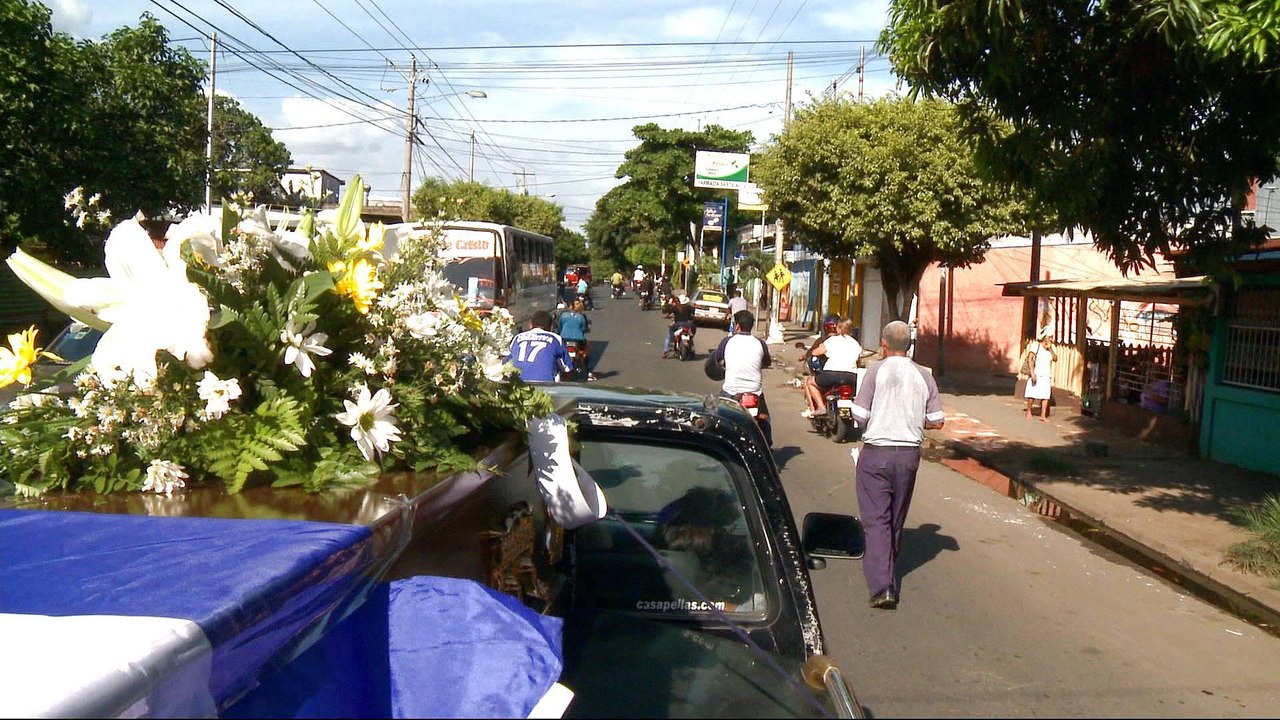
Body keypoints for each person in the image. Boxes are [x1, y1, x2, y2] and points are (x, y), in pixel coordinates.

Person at [851, 320, 945, 610]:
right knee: (895, 517)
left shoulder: (874, 372)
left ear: (883, 344)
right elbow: (937, 420)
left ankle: (883, 587)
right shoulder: (924, 376)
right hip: (908, 456)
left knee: (876, 519)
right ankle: (887, 571)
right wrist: (916, 418)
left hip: (876, 453)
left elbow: (860, 414)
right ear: (909, 346)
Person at [712, 310, 773, 446]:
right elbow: (767, 362)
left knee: (718, 417)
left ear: (737, 326)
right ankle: (767, 444)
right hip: (755, 392)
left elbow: (718, 358)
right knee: (765, 419)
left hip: (731, 392)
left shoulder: (727, 341)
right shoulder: (760, 343)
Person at [802, 317, 863, 418]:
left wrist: (819, 348)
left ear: (838, 329)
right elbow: (859, 362)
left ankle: (821, 407)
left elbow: (815, 352)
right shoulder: (856, 343)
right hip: (851, 377)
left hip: (830, 375)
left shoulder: (831, 340)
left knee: (809, 382)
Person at [508, 310, 573, 382]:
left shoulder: (517, 338)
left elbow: (506, 363)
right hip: (546, 388)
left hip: (518, 386)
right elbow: (567, 369)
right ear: (551, 327)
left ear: (530, 325)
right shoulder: (555, 338)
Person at [1023, 327, 1058, 421]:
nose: (1051, 339)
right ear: (1045, 337)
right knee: (1032, 394)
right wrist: (1032, 372)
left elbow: (1055, 359)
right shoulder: (1036, 345)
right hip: (1037, 372)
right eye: (1049, 337)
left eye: (1052, 337)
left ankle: (1043, 415)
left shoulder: (1052, 347)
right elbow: (1030, 358)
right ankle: (1028, 411)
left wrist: (1050, 349)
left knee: (1046, 395)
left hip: (1047, 374)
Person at [556, 298, 595, 381]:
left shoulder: (563, 315)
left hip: (564, 338)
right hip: (578, 339)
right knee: (586, 352)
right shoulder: (581, 317)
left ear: (570, 306)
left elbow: (559, 327)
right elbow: (584, 329)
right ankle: (589, 373)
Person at [662, 292, 696, 358]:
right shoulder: (689, 307)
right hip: (688, 324)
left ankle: (671, 343)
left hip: (678, 324)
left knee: (670, 331)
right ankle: (690, 344)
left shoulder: (676, 307)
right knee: (691, 334)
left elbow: (667, 310)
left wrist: (669, 304)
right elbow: (692, 315)